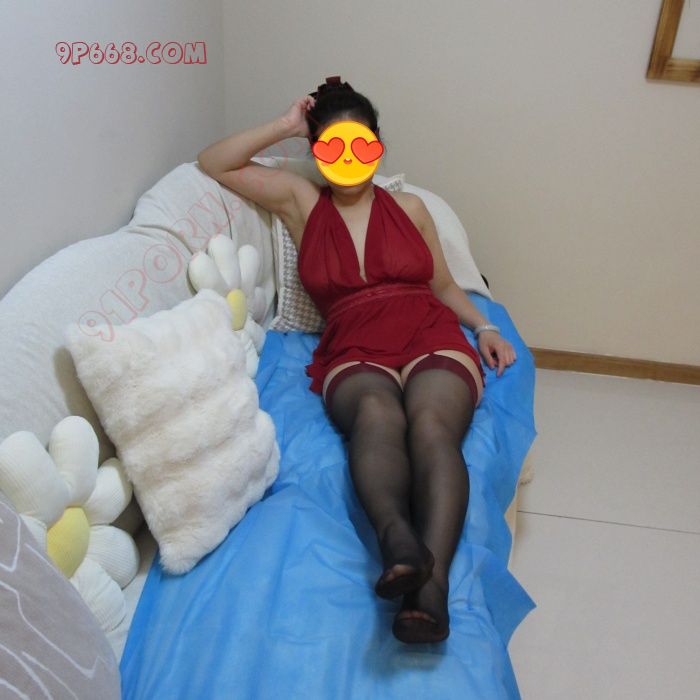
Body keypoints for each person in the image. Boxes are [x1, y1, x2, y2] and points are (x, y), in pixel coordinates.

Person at [197, 76, 517, 644]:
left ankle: (431, 590)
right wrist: (286, 125)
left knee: (432, 426)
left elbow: (443, 285)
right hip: (353, 344)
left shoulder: (411, 206)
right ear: (317, 152)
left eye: (360, 144)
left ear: (378, 146)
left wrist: (485, 326)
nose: (348, 159)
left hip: (428, 330)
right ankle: (398, 543)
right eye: (332, 146)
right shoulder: (301, 202)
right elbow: (214, 163)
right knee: (375, 416)